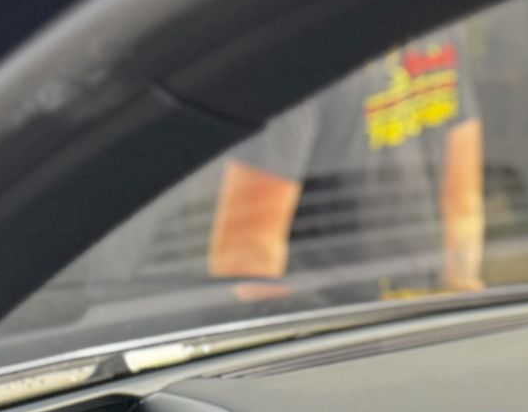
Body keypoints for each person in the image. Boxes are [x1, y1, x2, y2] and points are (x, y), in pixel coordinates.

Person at [207, 29, 483, 304]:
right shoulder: (439, 17)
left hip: (349, 325)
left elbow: (246, 256)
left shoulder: (301, 49)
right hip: (382, 316)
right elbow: (463, 202)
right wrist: (456, 297)